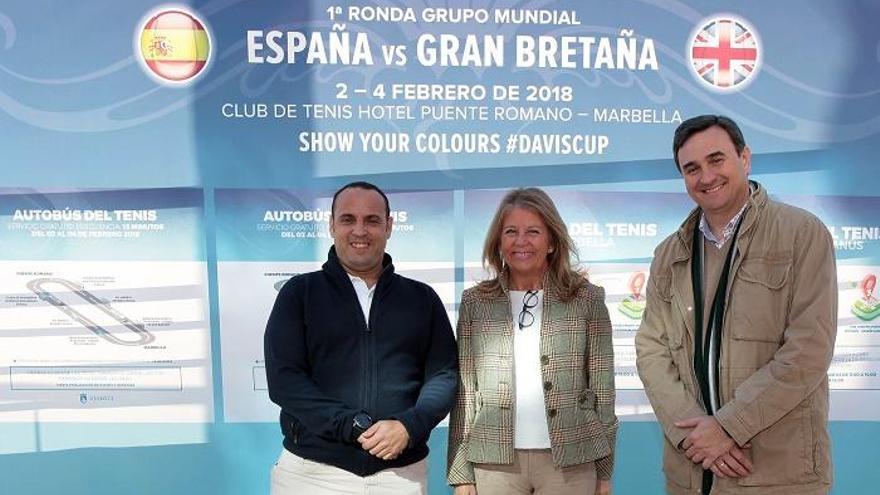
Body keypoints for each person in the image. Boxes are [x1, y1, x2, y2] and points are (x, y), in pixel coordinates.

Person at [635, 115, 837, 494]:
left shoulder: (802, 234)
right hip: (693, 474)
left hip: (776, 472)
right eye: (691, 168)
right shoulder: (669, 254)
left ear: (745, 159)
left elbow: (809, 348)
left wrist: (729, 425)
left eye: (717, 160)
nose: (706, 176)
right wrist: (695, 434)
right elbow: (651, 349)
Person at [264, 181, 458, 495]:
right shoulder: (299, 294)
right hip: (311, 474)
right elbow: (285, 380)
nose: (360, 230)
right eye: (348, 219)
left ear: (389, 226)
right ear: (331, 225)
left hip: (400, 475)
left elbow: (444, 375)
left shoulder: (422, 299)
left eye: (372, 220)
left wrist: (409, 426)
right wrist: (352, 425)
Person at [447, 187, 617, 495]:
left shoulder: (586, 299)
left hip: (572, 462)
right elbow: (466, 394)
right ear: (499, 242)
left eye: (533, 232)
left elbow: (603, 391)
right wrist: (462, 473)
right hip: (493, 464)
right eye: (511, 231)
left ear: (551, 241)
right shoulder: (475, 303)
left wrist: (604, 472)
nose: (521, 241)